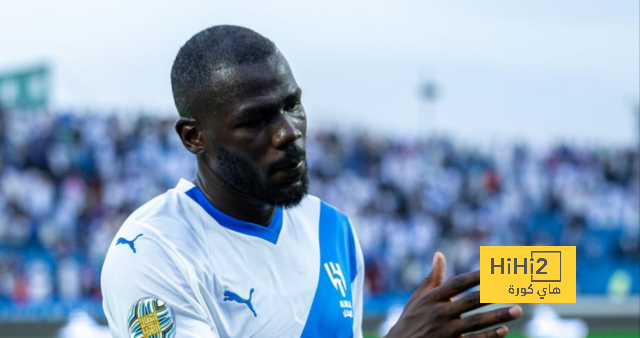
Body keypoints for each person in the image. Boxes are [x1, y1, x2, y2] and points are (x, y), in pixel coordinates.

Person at [100, 25, 522, 337]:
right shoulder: (152, 251)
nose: (289, 132)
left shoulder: (332, 229)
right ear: (195, 137)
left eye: (292, 104)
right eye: (256, 120)